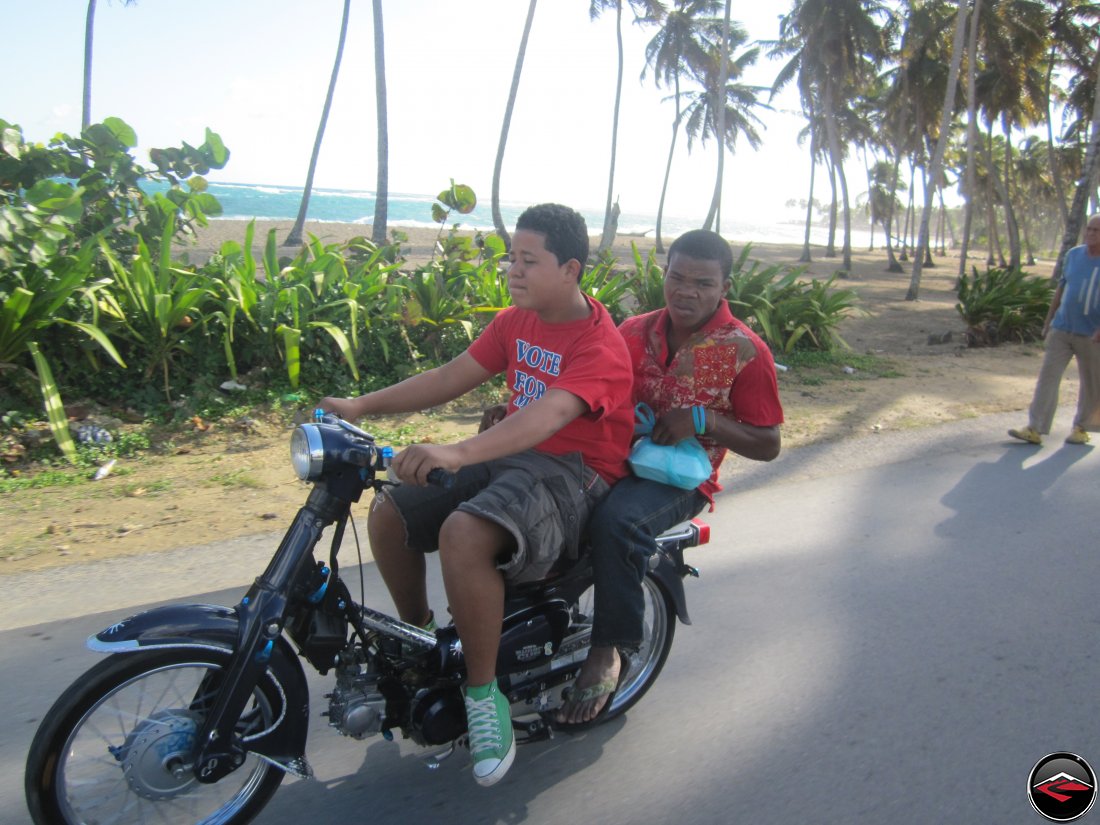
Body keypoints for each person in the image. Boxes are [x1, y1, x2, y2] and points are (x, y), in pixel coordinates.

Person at [320, 203, 635, 787]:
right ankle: (419, 642)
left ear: (569, 269)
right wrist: (359, 406)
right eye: (511, 257)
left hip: (574, 471)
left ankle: (483, 695)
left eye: (528, 260)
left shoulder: (600, 345)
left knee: (462, 533)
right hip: (516, 450)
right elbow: (450, 375)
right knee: (390, 510)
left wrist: (459, 450)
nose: (513, 270)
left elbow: (549, 416)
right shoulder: (518, 320)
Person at [553, 228, 785, 726]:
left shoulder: (745, 350)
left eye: (702, 283)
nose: (687, 291)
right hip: (614, 452)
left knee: (617, 523)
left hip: (678, 478)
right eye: (677, 277)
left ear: (725, 285)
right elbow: (585, 381)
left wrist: (704, 421)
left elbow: (769, 443)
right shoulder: (633, 329)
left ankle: (608, 648)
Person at [1008, 214, 1100, 446]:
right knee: (1048, 377)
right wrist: (1048, 321)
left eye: (1096, 231)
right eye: (1088, 229)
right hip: (1062, 328)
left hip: (1092, 335)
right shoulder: (1074, 255)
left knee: (1091, 383)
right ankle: (1035, 428)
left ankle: (1081, 427)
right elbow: (1061, 290)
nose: (1091, 233)